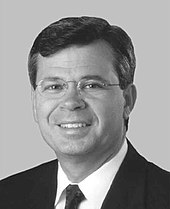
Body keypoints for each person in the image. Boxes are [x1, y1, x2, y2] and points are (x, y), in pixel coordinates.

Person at [0, 16, 169, 209]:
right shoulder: (7, 195)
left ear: (127, 100)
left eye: (91, 85)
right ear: (34, 102)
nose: (71, 102)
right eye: (54, 86)